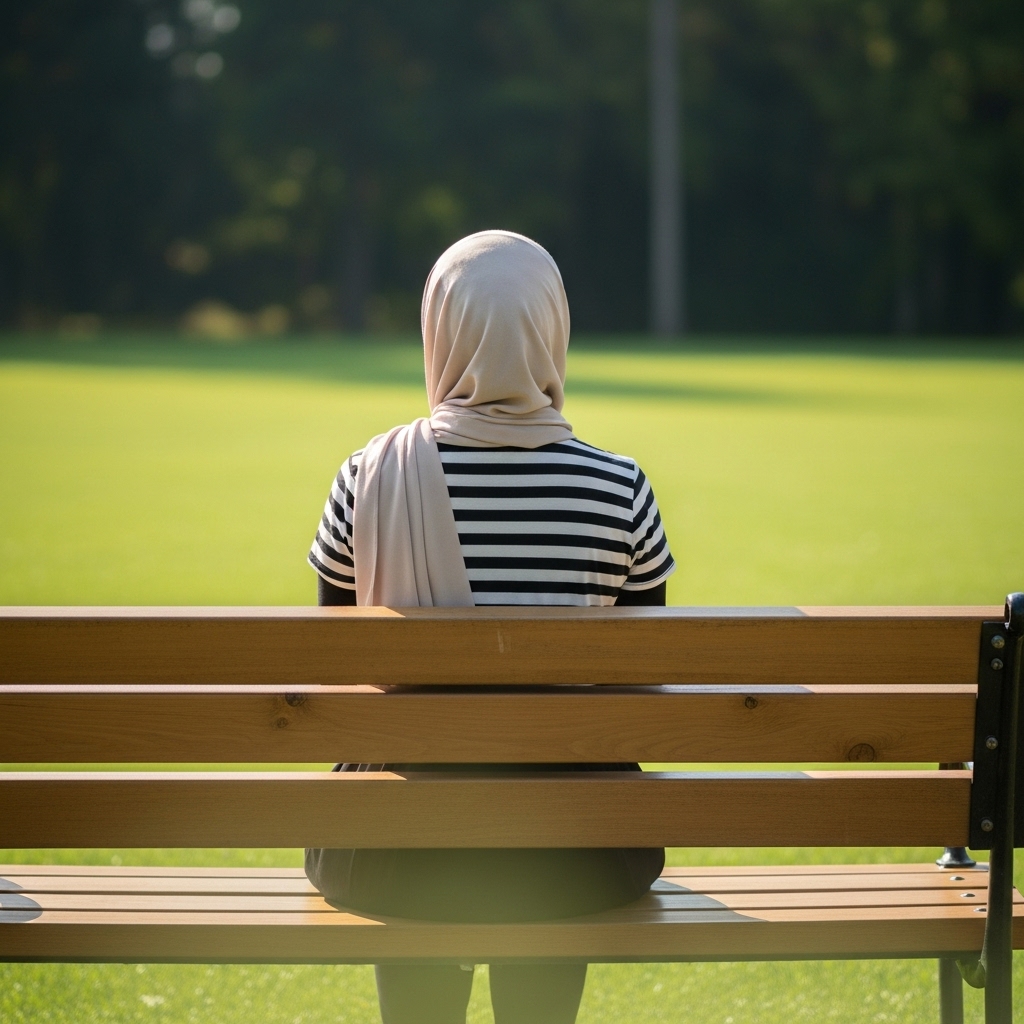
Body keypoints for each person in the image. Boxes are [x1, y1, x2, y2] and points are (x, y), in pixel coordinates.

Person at [305, 230, 676, 1024]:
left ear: (440, 329)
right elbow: (643, 685)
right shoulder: (620, 489)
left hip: (389, 855)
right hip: (575, 856)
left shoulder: (367, 475)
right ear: (552, 329)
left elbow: (337, 671)